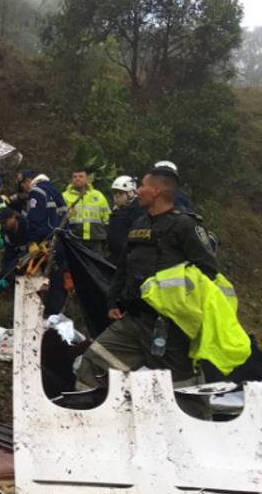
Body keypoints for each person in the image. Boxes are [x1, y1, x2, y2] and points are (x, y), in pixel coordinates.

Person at [74, 165, 219, 390]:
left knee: (184, 391)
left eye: (143, 185)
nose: (139, 190)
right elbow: (124, 265)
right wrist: (114, 300)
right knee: (93, 365)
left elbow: (208, 270)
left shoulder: (185, 226)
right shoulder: (139, 224)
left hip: (169, 329)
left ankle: (197, 423)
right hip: (133, 321)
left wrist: (173, 298)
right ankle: (87, 418)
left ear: (157, 191)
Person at [20, 170, 69, 316]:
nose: (24, 188)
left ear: (31, 181)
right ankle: (55, 318)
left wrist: (32, 241)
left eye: (24, 184)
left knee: (38, 283)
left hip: (44, 244)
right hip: (60, 244)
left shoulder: (36, 191)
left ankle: (37, 318)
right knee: (56, 282)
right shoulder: (57, 193)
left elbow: (34, 219)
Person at [62, 168, 111, 251]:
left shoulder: (98, 195)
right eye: (75, 177)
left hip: (95, 239)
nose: (77, 178)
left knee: (95, 263)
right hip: (73, 239)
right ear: (71, 180)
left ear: (87, 179)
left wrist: (104, 233)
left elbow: (107, 217)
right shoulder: (64, 196)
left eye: (81, 176)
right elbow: (59, 218)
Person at [106, 175, 143, 263]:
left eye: (121, 193)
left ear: (131, 193)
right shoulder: (117, 210)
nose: (117, 196)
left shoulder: (138, 210)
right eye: (115, 193)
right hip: (115, 256)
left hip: (128, 258)